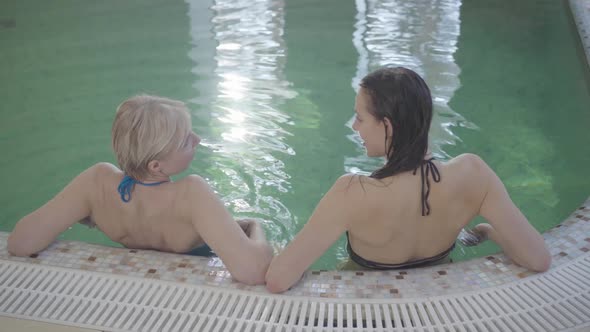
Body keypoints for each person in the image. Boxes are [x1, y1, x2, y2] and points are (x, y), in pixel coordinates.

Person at [265, 67, 551, 293]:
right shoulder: (473, 174)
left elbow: (278, 280)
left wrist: (258, 234)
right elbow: (538, 259)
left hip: (364, 312)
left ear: (386, 125)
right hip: (439, 310)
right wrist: (490, 230)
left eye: (360, 118)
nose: (355, 127)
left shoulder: (352, 192)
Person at [7, 95, 273, 285]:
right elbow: (254, 272)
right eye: (185, 141)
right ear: (156, 165)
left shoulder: (96, 182)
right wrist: (253, 228)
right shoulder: (192, 195)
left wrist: (84, 212)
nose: (198, 140)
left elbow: (20, 243)